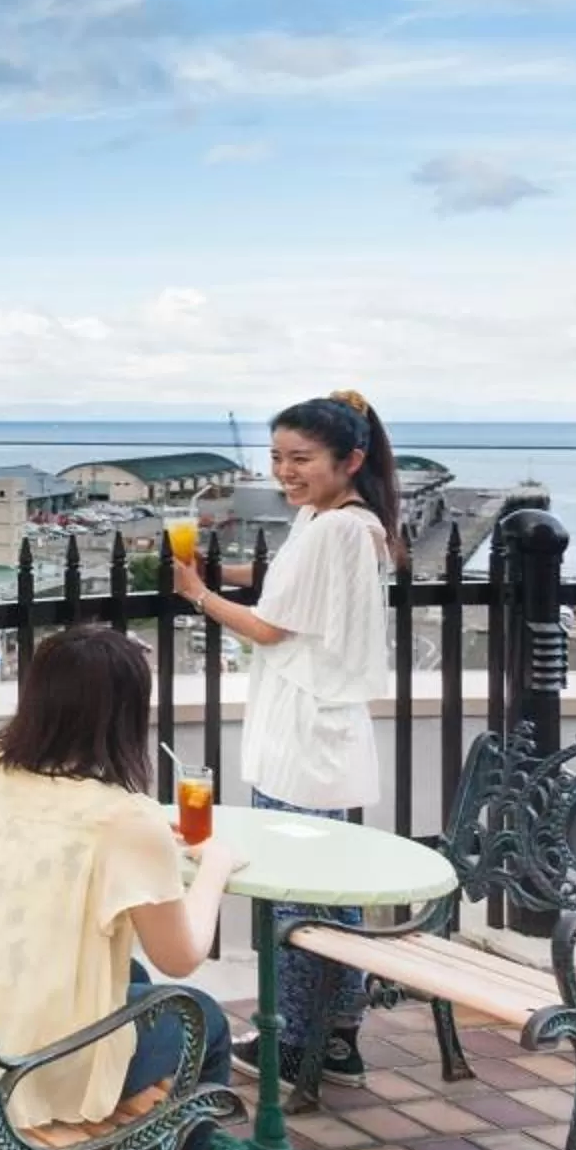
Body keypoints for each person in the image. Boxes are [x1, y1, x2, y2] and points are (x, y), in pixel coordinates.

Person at [0, 625, 247, 1150]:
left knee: (121, 971)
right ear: (126, 717)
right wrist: (214, 867)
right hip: (25, 1065)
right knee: (202, 1020)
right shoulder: (124, 823)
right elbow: (184, 955)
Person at [172, 391, 399, 1081]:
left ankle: (297, 1039)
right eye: (277, 457)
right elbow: (289, 589)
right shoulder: (341, 521)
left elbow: (271, 627)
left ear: (349, 459)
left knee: (298, 893)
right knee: (332, 887)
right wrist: (224, 574)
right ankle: (338, 1036)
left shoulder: (334, 529)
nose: (285, 471)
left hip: (305, 730)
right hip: (320, 727)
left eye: (300, 458)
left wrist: (198, 595)